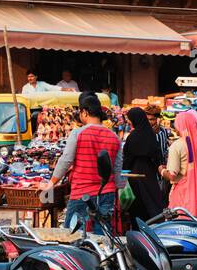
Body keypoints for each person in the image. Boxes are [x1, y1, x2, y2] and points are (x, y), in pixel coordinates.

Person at [45, 92, 121, 233]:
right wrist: (118, 186)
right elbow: (118, 169)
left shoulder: (78, 133)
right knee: (103, 237)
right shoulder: (114, 137)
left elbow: (66, 160)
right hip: (107, 194)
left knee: (74, 235)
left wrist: (51, 183)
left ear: (84, 112)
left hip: (82, 193)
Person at [122, 107, 164, 223]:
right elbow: (157, 154)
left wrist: (123, 172)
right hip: (149, 173)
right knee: (151, 200)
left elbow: (127, 157)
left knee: (138, 203)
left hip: (135, 174)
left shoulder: (133, 136)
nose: (129, 122)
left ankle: (139, 228)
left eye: (130, 119)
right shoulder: (151, 134)